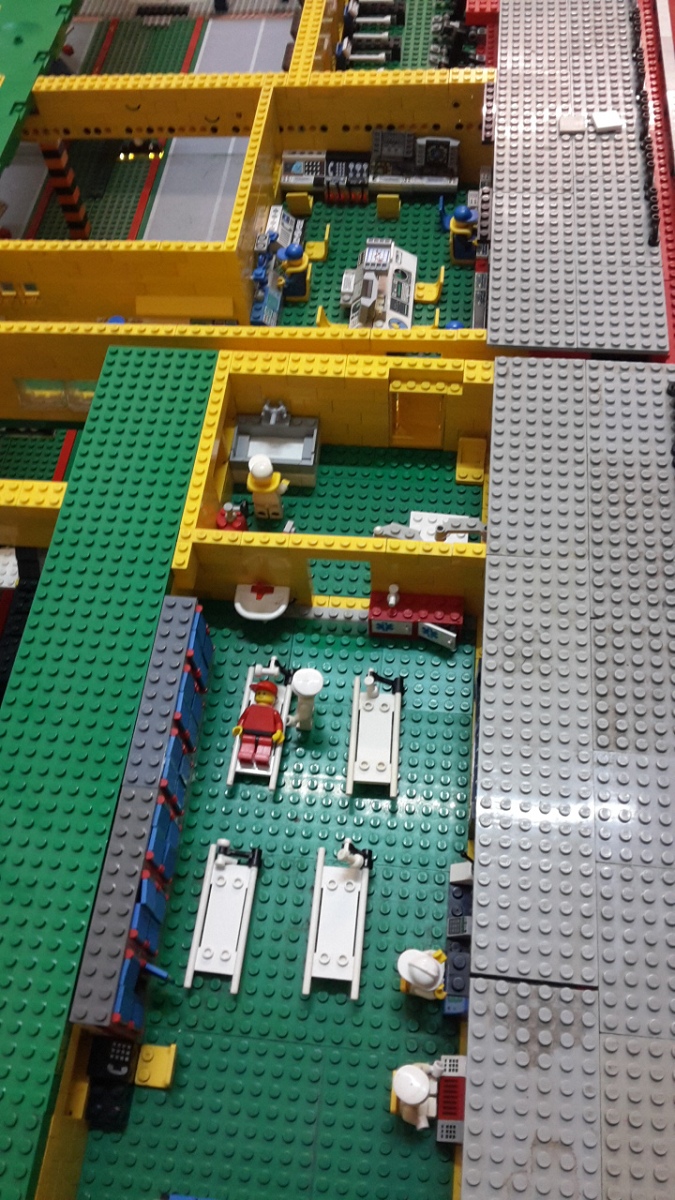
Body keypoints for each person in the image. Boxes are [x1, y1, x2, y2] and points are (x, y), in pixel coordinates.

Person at [233, 679, 285, 768]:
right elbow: (243, 718)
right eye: (258, 693)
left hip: (267, 736)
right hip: (248, 733)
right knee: (246, 748)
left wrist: (279, 732)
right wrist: (240, 726)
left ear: (274, 698)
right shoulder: (250, 709)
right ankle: (245, 758)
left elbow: (278, 723)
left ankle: (262, 760)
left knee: (264, 750)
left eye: (264, 694)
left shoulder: (273, 712)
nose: (260, 695)